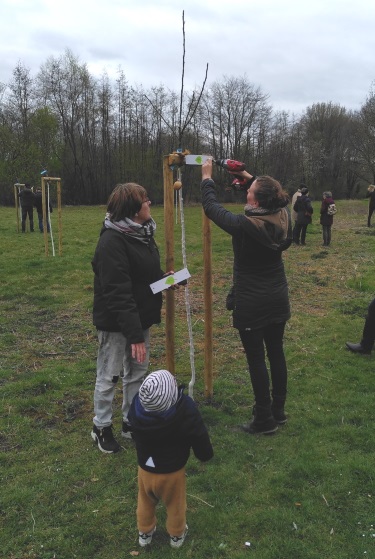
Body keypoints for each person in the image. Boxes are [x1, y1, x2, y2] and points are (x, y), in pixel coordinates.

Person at [201, 158, 292, 435]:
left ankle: (263, 419)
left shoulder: (245, 225)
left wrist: (207, 179)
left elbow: (212, 208)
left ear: (255, 202)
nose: (246, 192)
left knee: (256, 358)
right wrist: (245, 174)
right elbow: (269, 194)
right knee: (275, 352)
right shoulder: (283, 215)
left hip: (252, 301)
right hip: (277, 296)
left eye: (249, 192)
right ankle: (278, 410)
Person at [91, 182, 173, 454]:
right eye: (146, 200)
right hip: (116, 322)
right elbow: (117, 292)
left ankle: (130, 420)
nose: (150, 203)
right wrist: (134, 335)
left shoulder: (143, 234)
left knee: (137, 372)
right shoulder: (111, 241)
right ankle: (101, 426)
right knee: (110, 375)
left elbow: (144, 277)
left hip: (140, 317)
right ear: (133, 209)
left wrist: (165, 281)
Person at [128, 369, 213, 548]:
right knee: (176, 504)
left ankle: (144, 532)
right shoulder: (184, 410)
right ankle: (176, 534)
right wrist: (204, 454)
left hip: (145, 468)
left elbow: (132, 428)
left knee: (145, 500)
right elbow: (198, 433)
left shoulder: (137, 407)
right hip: (172, 472)